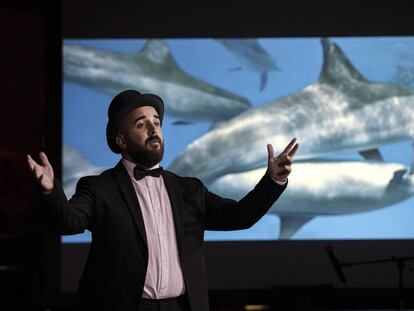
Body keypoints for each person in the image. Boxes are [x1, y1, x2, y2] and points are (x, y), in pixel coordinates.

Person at [27, 90, 299, 311]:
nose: (153, 129)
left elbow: (241, 217)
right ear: (121, 140)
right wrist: (51, 190)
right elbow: (69, 223)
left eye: (156, 122)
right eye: (141, 124)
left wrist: (273, 180)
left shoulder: (189, 189)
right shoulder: (99, 187)